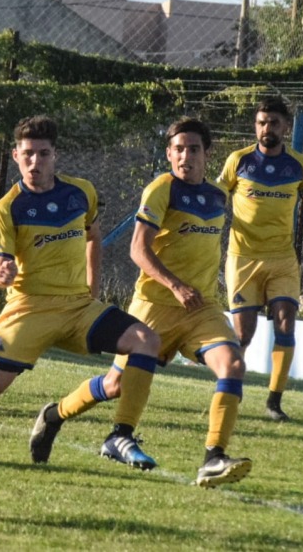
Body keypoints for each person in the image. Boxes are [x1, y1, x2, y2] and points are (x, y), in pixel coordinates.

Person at [0, 115, 161, 470]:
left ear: (56, 156)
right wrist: (2, 273)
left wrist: (93, 290)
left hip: (77, 307)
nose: (34, 162)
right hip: (29, 310)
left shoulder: (81, 192)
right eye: (27, 154)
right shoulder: (7, 208)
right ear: (15, 155)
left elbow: (93, 237)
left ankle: (120, 434)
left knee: (146, 340)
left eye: (43, 154)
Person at [106, 117, 251, 487]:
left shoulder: (219, 196)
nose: (186, 155)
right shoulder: (161, 189)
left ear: (207, 153)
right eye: (179, 149)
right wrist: (175, 285)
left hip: (202, 309)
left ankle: (213, 458)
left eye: (194, 149)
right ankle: (62, 417)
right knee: (114, 386)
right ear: (169, 153)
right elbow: (138, 249)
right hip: (155, 305)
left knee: (232, 364)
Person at [219, 97, 303, 422]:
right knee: (244, 335)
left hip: (283, 259)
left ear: (285, 126)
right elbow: (217, 198)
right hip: (243, 258)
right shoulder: (238, 161)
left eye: (273, 122)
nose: (266, 128)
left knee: (286, 322)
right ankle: (230, 388)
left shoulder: (300, 166)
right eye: (261, 122)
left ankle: (274, 402)